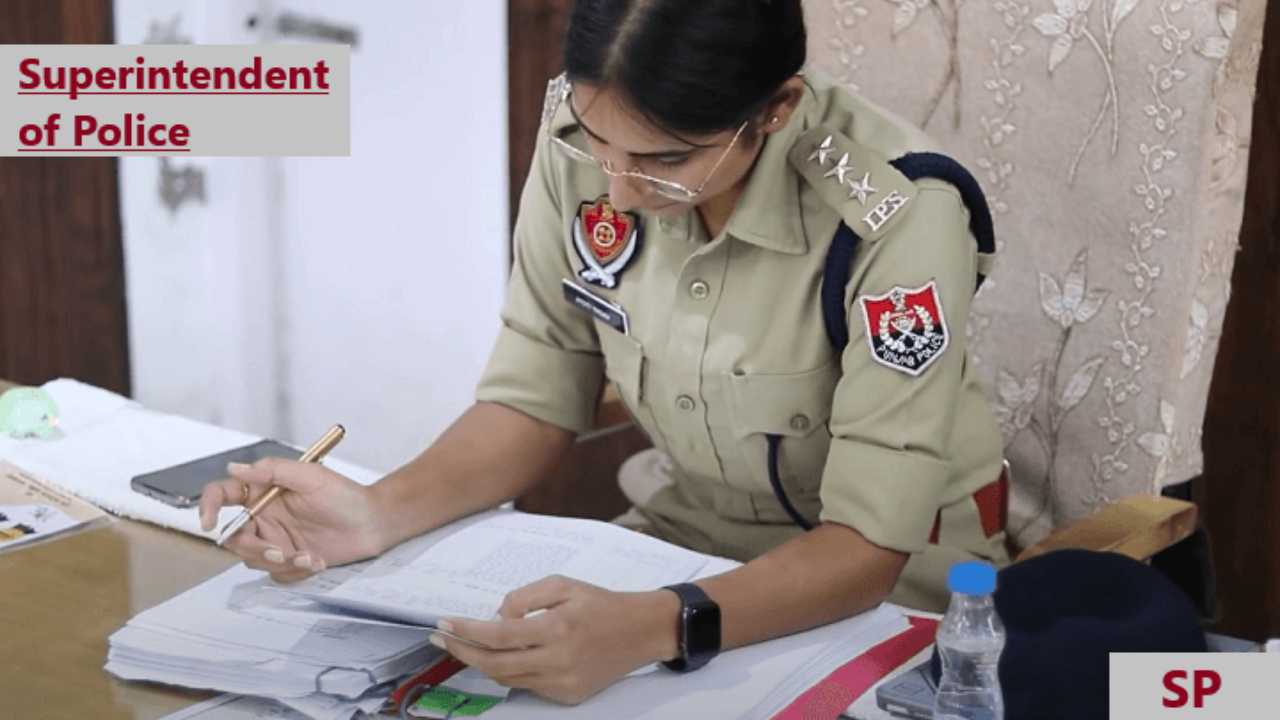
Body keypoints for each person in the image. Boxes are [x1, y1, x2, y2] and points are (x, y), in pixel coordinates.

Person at [200, 0, 1008, 705]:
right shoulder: (585, 135)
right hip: (673, 546)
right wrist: (377, 513)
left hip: (887, 596)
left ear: (776, 107)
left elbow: (866, 550)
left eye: (668, 161)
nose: (619, 189)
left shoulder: (898, 215)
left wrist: (658, 626)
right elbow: (536, 389)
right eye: (600, 144)